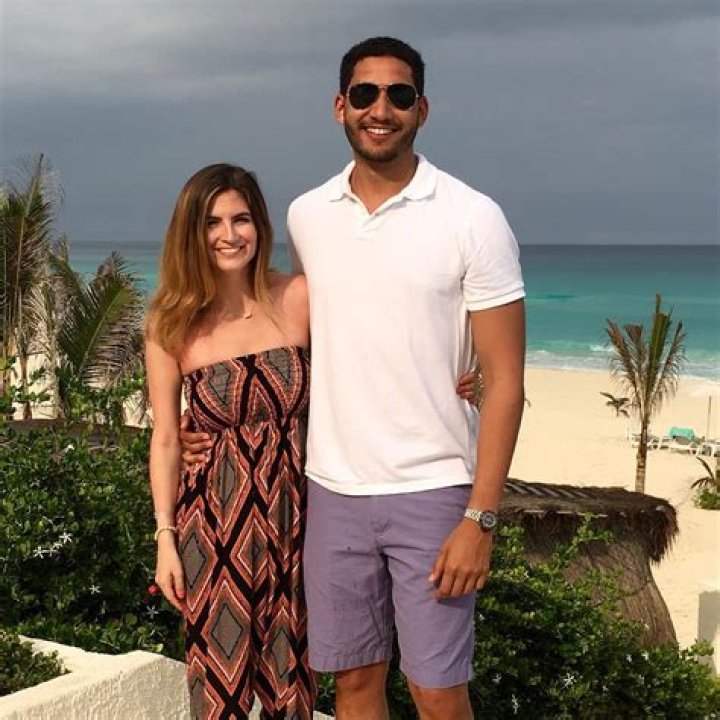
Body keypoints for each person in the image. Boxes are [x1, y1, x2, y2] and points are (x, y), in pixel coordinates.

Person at [182, 36, 525, 720]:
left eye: (399, 95)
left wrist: (481, 518)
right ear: (340, 106)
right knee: (355, 685)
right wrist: (206, 422)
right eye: (366, 94)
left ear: (422, 108)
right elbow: (273, 328)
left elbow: (507, 381)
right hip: (330, 490)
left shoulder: (473, 217)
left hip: (433, 487)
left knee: (438, 692)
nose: (381, 109)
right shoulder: (309, 215)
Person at [145, 163, 314, 720]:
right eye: (213, 222)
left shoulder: (297, 298)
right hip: (213, 525)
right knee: (220, 693)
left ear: (259, 225)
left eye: (241, 219)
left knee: (293, 688)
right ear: (191, 234)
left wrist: (465, 373)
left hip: (295, 520)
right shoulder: (171, 324)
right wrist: (165, 539)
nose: (229, 234)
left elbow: (367, 361)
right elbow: (166, 439)